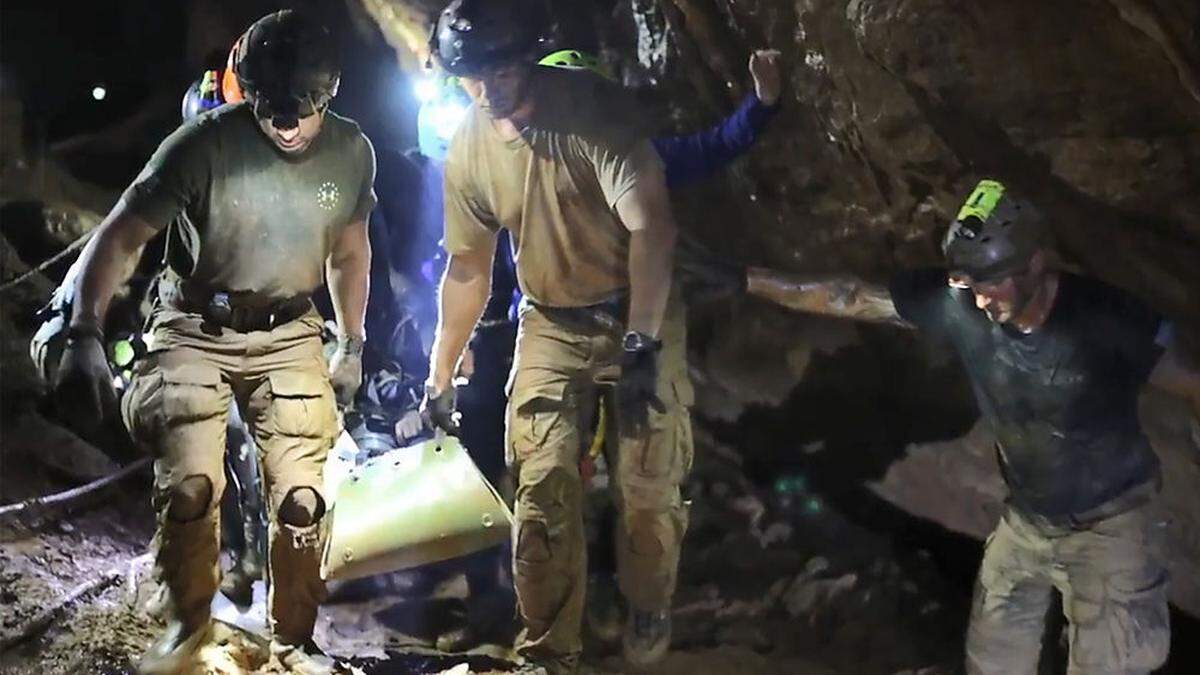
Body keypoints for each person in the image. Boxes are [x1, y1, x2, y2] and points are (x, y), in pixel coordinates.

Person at [682, 178, 1200, 675]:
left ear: (1036, 264)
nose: (977, 299)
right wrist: (745, 278)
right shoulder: (964, 307)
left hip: (1110, 525)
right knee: (993, 661)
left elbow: (1192, 383)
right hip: (1027, 523)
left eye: (988, 282)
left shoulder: (1107, 321)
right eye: (967, 282)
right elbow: (849, 296)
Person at [52, 10, 375, 673]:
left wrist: (353, 343)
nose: (286, 124)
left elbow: (349, 252)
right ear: (246, 92)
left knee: (301, 497)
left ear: (330, 91)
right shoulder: (201, 146)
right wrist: (85, 325)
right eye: (271, 109)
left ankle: (295, 636)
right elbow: (122, 235)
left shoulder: (350, 152)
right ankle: (188, 621)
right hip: (195, 322)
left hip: (288, 326)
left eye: (301, 109)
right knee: (193, 483)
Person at [423, 0, 693, 671]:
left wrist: (641, 343)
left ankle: (646, 601)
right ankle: (549, 651)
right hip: (549, 319)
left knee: (646, 490)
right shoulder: (470, 147)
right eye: (470, 77)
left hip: (638, 306)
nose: (486, 91)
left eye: (499, 72)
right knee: (540, 489)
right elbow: (467, 269)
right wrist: (439, 369)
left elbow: (651, 230)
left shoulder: (594, 116)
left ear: (526, 58)